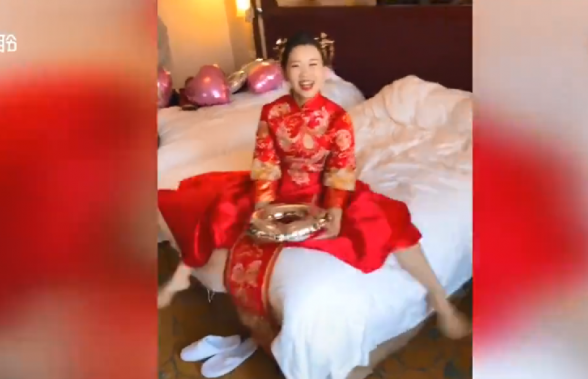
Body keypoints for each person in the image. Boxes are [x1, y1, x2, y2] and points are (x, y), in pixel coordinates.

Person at [158, 31, 470, 339]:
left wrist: (335, 210)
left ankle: (440, 301)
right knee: (219, 209)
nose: (305, 75)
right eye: (296, 66)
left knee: (393, 223)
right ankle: (183, 275)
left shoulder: (337, 117)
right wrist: (264, 205)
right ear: (285, 72)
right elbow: (266, 161)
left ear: (323, 69)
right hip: (280, 188)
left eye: (313, 65)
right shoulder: (272, 112)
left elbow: (340, 169)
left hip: (324, 191)